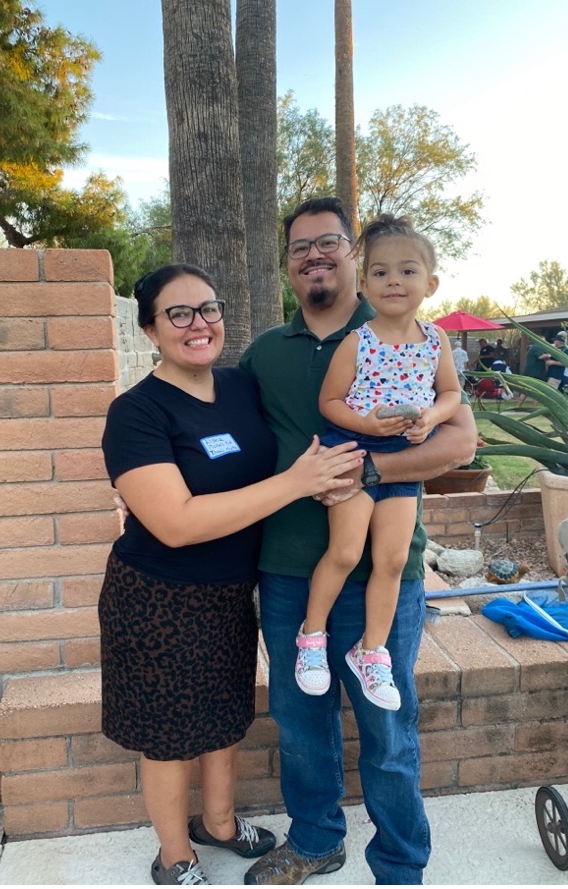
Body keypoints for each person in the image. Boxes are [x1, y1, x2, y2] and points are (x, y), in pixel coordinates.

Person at [100, 263, 362, 886]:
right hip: (157, 598)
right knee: (169, 736)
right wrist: (295, 483)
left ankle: (218, 823)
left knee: (224, 719)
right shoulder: (136, 413)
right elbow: (177, 523)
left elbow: (299, 432)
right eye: (178, 313)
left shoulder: (241, 387)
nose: (199, 324)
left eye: (208, 309)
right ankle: (174, 858)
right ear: (149, 329)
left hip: (229, 593)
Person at [239, 197, 476, 885]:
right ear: (288, 264)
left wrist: (369, 469)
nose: (314, 255)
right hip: (288, 568)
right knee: (300, 723)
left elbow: (460, 441)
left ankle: (400, 865)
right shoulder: (264, 353)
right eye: (300, 247)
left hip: (384, 571)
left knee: (387, 730)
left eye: (329, 243)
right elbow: (222, 429)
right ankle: (316, 841)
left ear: (353, 256)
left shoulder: (406, 331)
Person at [294, 215, 461, 709]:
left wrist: (431, 418)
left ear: (430, 284)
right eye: (381, 272)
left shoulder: (435, 340)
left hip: (404, 459)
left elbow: (450, 394)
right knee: (346, 552)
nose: (394, 281)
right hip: (354, 451)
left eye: (408, 271)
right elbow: (330, 402)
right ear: (365, 284)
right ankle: (312, 637)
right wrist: (366, 423)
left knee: (391, 559)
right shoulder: (359, 340)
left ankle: (371, 652)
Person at [516, 341, 547, 408]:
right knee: (536, 391)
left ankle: (519, 406)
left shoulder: (533, 347)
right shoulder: (537, 347)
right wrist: (550, 355)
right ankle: (533, 407)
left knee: (526, 390)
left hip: (531, 373)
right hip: (535, 373)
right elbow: (540, 356)